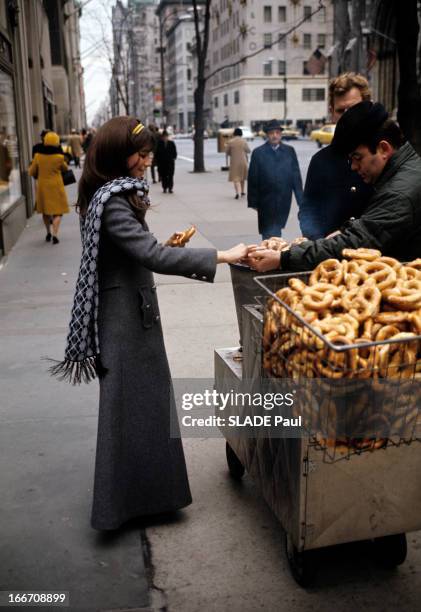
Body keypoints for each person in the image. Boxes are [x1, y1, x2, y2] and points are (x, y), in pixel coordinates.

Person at [49, 116, 247, 531]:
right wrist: (222, 256)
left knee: (146, 405)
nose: (146, 161)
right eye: (140, 154)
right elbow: (150, 256)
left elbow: (142, 251)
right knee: (129, 408)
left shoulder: (111, 195)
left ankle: (152, 497)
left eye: (147, 153)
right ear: (118, 156)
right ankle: (121, 505)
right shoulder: (114, 201)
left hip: (131, 314)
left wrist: (165, 245)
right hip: (124, 322)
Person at [247, 101, 421, 273]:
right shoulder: (409, 168)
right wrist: (343, 232)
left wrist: (283, 258)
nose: (353, 167)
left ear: (384, 149)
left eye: (358, 157)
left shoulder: (399, 193)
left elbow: (358, 242)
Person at [298, 73, 373, 240]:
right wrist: (317, 242)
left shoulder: (381, 155)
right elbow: (309, 207)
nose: (348, 116)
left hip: (376, 252)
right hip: (329, 252)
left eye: (354, 108)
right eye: (341, 110)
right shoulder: (320, 160)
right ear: (332, 112)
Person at [247, 119, 303, 240]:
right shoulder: (258, 152)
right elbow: (252, 178)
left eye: (277, 132)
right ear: (267, 135)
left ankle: (272, 251)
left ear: (281, 134)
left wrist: (301, 200)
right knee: (268, 230)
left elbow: (296, 176)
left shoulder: (289, 151)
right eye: (272, 133)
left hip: (283, 197)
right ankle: (271, 252)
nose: (275, 135)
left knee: (277, 227)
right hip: (265, 199)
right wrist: (253, 201)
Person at [29, 131, 69, 244]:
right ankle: (55, 234)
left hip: (42, 187)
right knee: (58, 212)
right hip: (56, 186)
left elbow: (32, 171)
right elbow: (65, 169)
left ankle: (48, 233)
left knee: (45, 212)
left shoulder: (38, 156)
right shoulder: (59, 157)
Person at [225, 127, 250, 199]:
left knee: (236, 178)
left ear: (234, 133)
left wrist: (232, 153)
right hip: (243, 161)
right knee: (242, 177)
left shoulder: (230, 142)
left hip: (234, 162)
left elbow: (227, 152)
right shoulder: (244, 141)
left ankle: (238, 193)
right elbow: (248, 150)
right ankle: (242, 191)